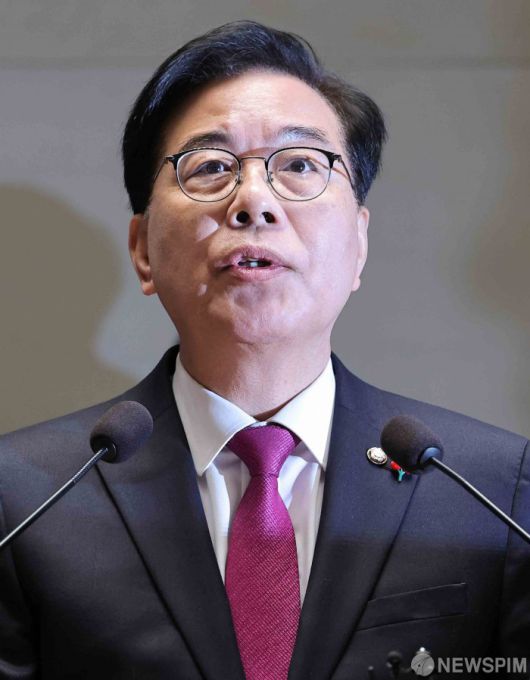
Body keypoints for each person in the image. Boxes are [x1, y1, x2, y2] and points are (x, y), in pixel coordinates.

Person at [0, 21, 529, 680]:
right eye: (211, 167)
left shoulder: (493, 490)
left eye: (300, 165)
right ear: (142, 250)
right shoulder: (25, 499)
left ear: (359, 245)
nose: (253, 201)